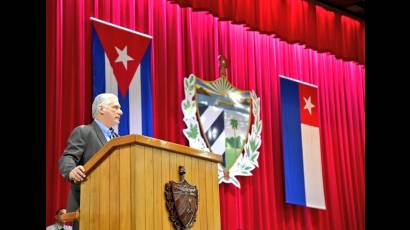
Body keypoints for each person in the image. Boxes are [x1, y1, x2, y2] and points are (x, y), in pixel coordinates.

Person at [59, 93, 122, 230]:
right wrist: (71, 171)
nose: (120, 112)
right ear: (101, 109)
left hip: (117, 208)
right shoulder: (84, 132)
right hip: (88, 206)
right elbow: (68, 157)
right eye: (115, 108)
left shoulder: (119, 140)